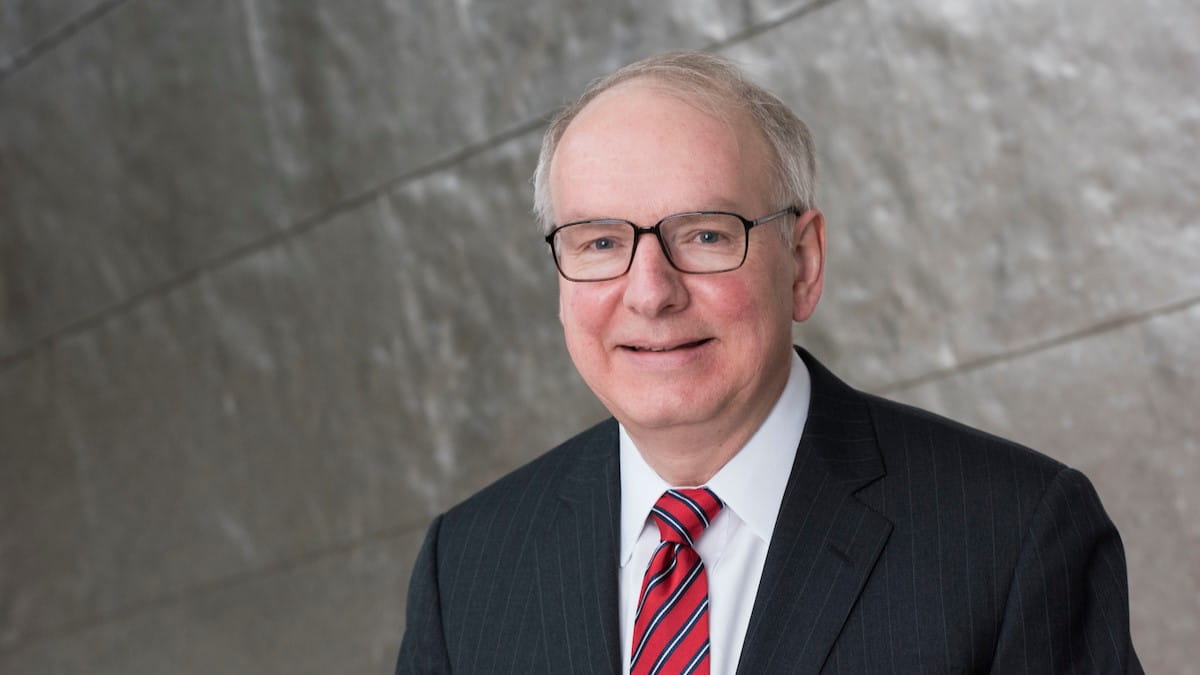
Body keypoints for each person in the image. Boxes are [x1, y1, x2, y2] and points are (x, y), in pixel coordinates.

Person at [396, 50, 1142, 674]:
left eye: (706, 235)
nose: (651, 292)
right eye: (599, 242)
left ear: (804, 262)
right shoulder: (465, 568)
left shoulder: (1012, 535)